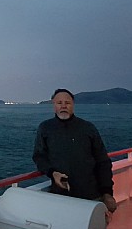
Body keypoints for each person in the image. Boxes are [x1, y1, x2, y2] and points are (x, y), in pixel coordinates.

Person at [32, 88, 117, 220]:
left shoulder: (87, 128)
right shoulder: (45, 128)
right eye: (59, 103)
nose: (63, 106)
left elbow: (103, 161)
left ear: (73, 105)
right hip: (61, 196)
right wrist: (52, 173)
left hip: (91, 195)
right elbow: (39, 156)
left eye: (67, 102)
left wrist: (107, 193)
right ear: (54, 105)